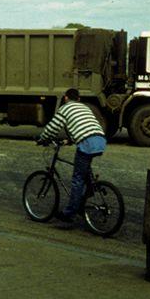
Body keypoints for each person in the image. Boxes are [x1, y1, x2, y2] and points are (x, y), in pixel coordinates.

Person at [35, 89, 106, 225]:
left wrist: (42, 139)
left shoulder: (65, 108)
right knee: (84, 170)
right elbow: (83, 127)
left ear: (66, 98)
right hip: (100, 139)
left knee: (77, 179)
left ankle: (69, 212)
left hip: (87, 143)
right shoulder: (84, 107)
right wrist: (69, 141)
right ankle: (89, 191)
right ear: (78, 99)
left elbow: (53, 128)